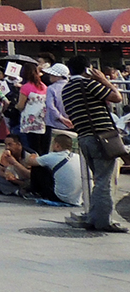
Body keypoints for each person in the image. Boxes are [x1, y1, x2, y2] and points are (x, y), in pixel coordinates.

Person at [60, 56, 126, 232]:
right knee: (105, 181)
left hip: (84, 137)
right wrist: (105, 80)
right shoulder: (89, 84)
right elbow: (117, 97)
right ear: (88, 69)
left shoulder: (66, 90)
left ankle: (94, 217)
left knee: (99, 179)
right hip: (101, 137)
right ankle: (103, 221)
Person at [15, 62, 49, 154]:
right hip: (41, 120)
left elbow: (20, 105)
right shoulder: (43, 86)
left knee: (30, 147)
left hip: (29, 122)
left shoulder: (25, 87)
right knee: (41, 147)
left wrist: (15, 106)